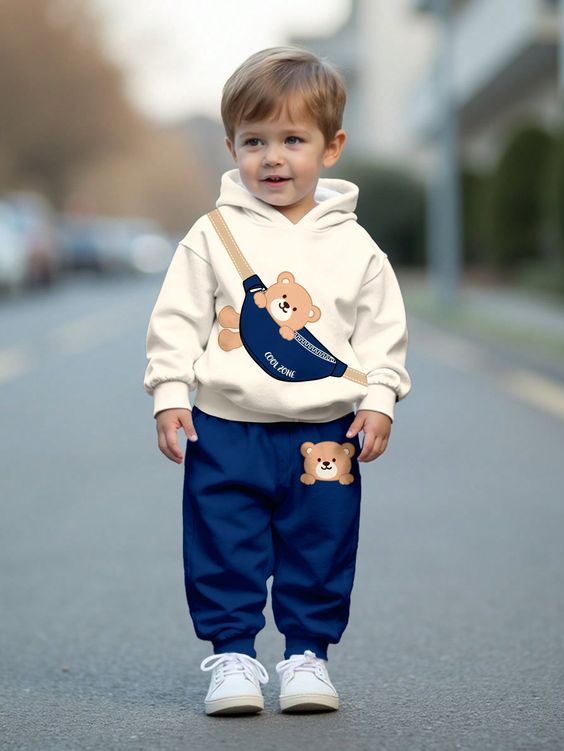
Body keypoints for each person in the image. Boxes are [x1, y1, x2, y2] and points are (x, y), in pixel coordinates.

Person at [144, 46, 412, 717]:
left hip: (326, 433)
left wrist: (380, 397)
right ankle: (233, 656)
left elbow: (383, 330)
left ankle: (306, 656)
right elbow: (177, 319)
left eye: (293, 140)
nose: (272, 157)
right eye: (254, 141)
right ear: (231, 146)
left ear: (331, 147)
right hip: (224, 429)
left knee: (321, 545)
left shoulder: (356, 247)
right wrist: (170, 392)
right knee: (222, 543)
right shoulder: (212, 235)